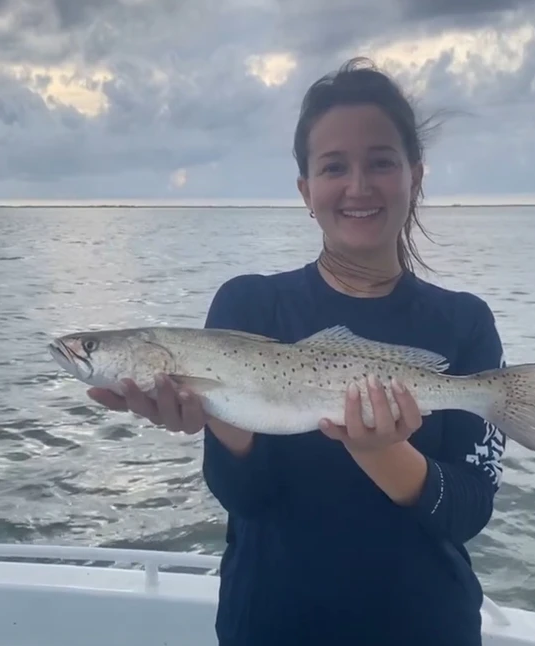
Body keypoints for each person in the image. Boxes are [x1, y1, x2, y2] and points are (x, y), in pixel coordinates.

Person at [89, 57, 507, 646]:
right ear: (306, 190)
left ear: (415, 175)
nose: (358, 186)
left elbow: (470, 512)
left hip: (425, 626)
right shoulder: (248, 305)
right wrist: (220, 420)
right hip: (271, 623)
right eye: (334, 167)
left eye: (381, 162)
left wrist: (384, 451)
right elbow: (246, 499)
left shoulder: (465, 321)